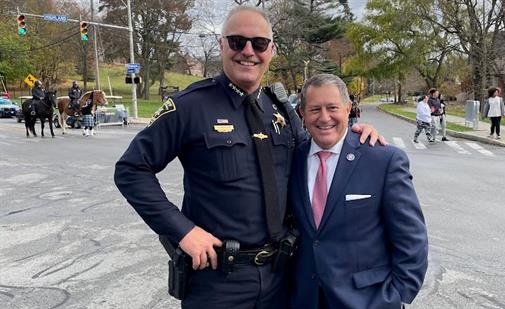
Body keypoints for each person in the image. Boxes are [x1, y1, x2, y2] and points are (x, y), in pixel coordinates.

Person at [114, 6, 385, 308]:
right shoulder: (189, 107)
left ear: (271, 50)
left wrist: (354, 133)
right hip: (218, 282)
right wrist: (183, 232)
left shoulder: (280, 110)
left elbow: (319, 152)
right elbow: (131, 170)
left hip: (280, 277)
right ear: (221, 45)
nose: (248, 51)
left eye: (258, 44)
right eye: (236, 42)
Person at [291, 73, 428, 309]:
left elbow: (411, 238)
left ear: (348, 108)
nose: (324, 118)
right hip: (304, 298)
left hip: (367, 300)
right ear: (302, 114)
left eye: (332, 107)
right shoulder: (292, 158)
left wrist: (398, 296)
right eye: (315, 109)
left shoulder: (383, 160)